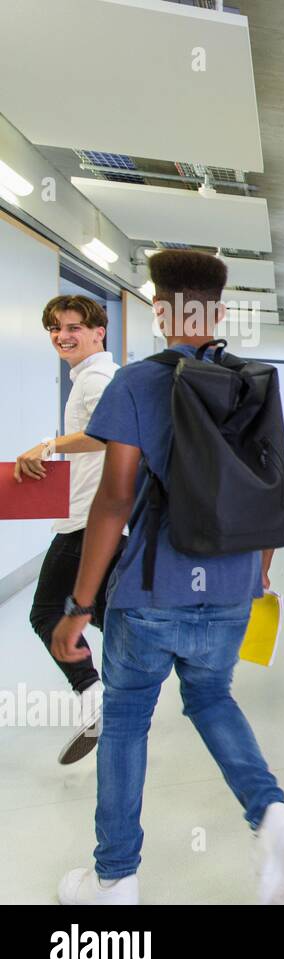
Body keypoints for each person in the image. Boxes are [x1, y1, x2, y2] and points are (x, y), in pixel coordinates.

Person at [50, 250, 284, 906]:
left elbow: (113, 500)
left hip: (152, 590)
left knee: (126, 718)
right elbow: (270, 488)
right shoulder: (253, 381)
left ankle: (114, 877)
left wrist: (80, 605)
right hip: (229, 588)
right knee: (212, 699)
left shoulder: (137, 383)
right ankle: (272, 815)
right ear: (219, 313)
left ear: (161, 311)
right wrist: (256, 579)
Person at [15, 295, 121, 764]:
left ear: (99, 331)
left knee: (45, 613)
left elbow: (107, 433)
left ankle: (96, 696)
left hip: (86, 522)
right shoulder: (92, 376)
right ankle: (126, 687)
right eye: (56, 329)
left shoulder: (96, 377)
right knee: (102, 613)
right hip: (97, 518)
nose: (63, 336)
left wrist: (48, 445)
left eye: (74, 327)